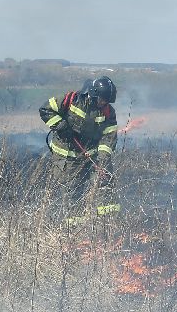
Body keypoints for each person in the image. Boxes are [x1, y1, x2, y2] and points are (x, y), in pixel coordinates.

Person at [39, 76, 120, 217]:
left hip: (92, 156)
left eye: (107, 102)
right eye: (102, 100)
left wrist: (103, 160)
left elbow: (109, 137)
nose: (104, 104)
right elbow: (45, 110)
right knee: (73, 194)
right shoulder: (72, 100)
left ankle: (107, 223)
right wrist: (61, 126)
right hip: (67, 157)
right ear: (94, 94)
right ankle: (73, 229)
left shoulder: (108, 111)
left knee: (106, 186)